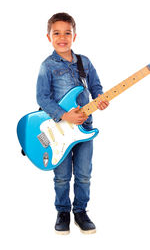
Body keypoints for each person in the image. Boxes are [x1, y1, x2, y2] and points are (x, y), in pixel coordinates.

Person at [36, 12, 109, 235]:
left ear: (74, 36)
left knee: (84, 173)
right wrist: (65, 115)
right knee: (62, 176)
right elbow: (42, 98)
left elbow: (96, 87)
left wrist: (100, 99)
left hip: (85, 127)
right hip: (60, 130)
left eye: (67, 33)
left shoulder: (84, 62)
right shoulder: (47, 66)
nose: (62, 37)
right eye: (56, 33)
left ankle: (80, 212)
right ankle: (63, 212)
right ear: (49, 37)